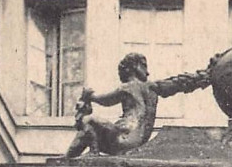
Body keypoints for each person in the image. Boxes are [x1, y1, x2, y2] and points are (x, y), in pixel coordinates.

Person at [66, 52, 210, 158]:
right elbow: (178, 84)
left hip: (123, 138)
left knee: (89, 121)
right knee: (87, 130)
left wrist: (89, 96)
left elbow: (105, 100)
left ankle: (85, 155)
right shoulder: (154, 87)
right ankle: (74, 158)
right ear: (134, 67)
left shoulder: (127, 87)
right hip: (138, 140)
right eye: (144, 66)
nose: (148, 72)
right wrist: (202, 77)